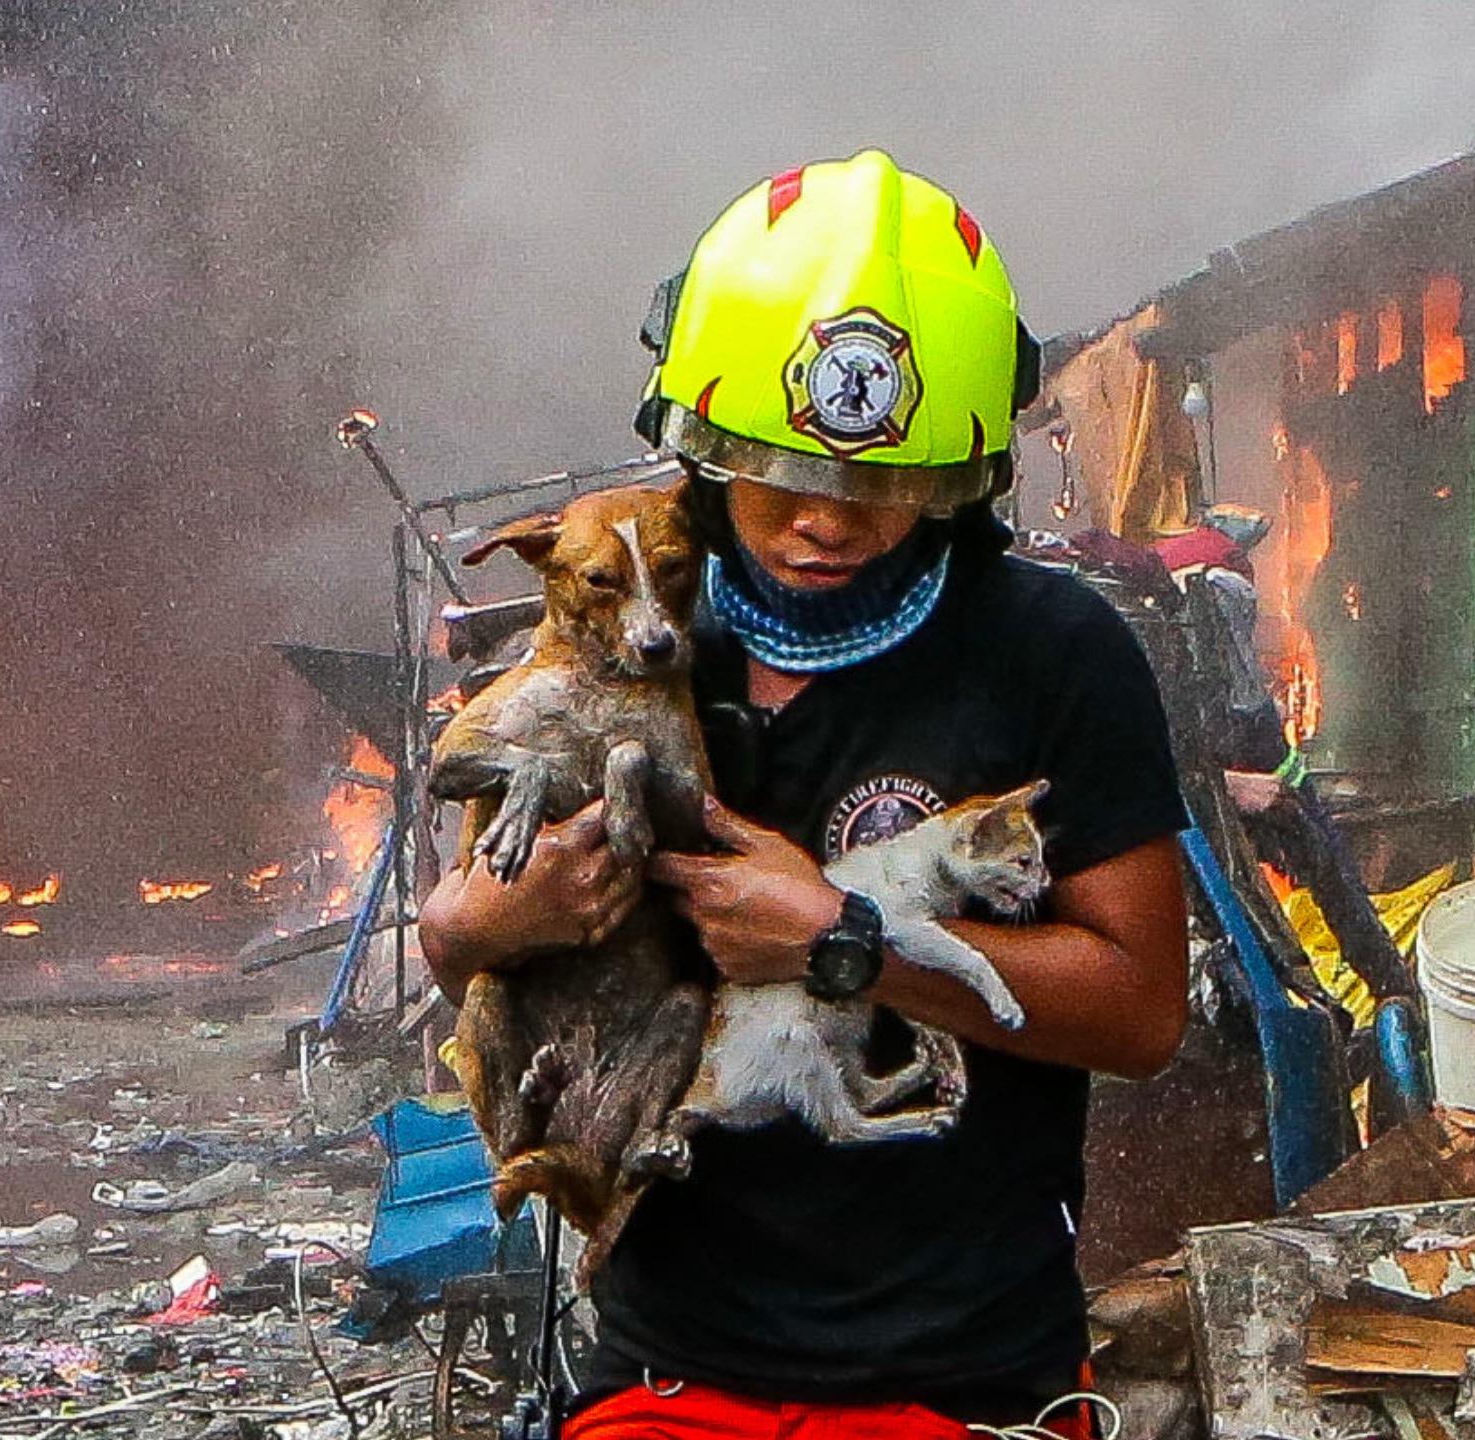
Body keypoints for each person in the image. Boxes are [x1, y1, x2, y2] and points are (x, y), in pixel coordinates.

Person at [419, 149, 1189, 1440]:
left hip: (966, 1387)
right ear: (707, 450)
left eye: (880, 483)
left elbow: (1142, 1009)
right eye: (783, 476)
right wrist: (494, 920)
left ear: (956, 474)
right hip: (666, 1378)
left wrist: (844, 942)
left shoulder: (1052, 654)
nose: (826, 520)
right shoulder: (629, 623)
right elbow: (451, 936)